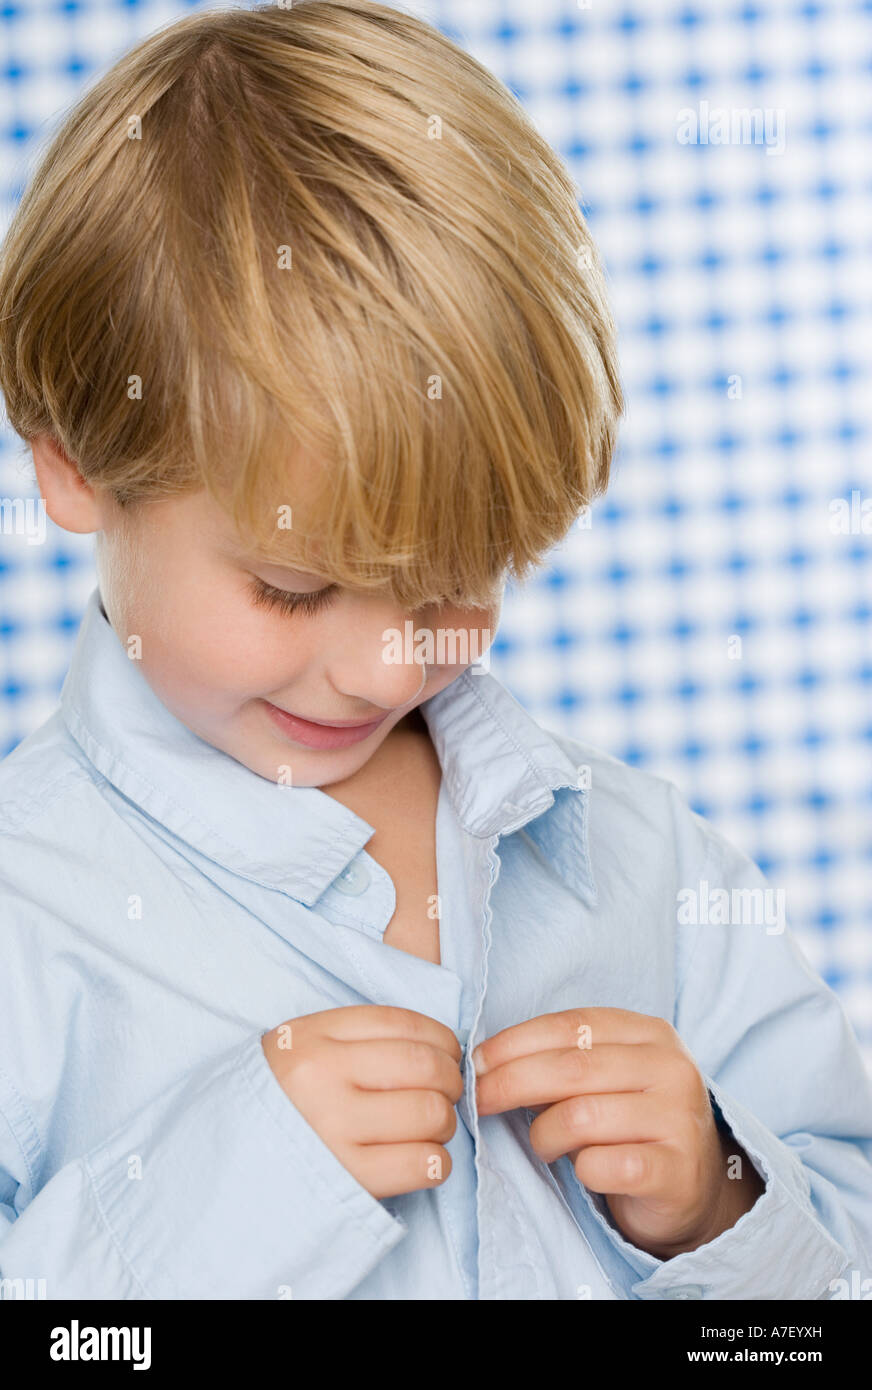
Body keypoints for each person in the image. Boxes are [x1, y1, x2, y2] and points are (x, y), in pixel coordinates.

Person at [0, 1, 868, 1300]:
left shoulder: (646, 861)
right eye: (294, 587)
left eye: (453, 582)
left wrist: (720, 1198)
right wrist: (206, 1198)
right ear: (72, 465)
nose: (388, 668)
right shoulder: (30, 912)